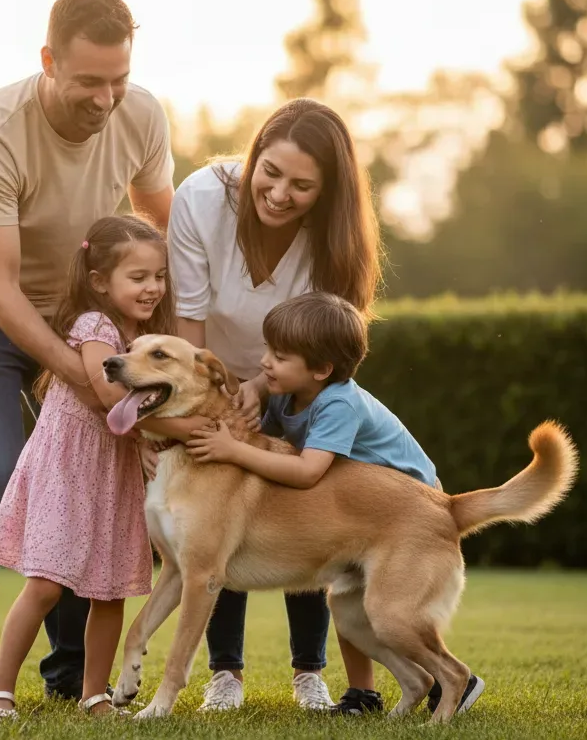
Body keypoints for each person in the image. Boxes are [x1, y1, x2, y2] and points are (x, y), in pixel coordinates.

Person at [0, 0, 175, 711]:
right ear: (48, 61)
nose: (105, 99)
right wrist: (86, 377)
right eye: (89, 81)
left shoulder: (141, 114)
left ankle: (71, 679)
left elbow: (165, 237)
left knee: (98, 479)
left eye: (118, 79)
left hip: (82, 306)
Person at [159, 98, 382, 712]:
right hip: (211, 375)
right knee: (218, 518)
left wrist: (262, 388)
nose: (280, 194)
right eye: (271, 173)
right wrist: (212, 406)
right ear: (254, 156)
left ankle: (309, 671)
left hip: (294, 382)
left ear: (328, 191)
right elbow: (189, 325)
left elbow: (330, 338)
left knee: (301, 519)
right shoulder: (202, 199)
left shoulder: (334, 241)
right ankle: (224, 674)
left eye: (302, 186)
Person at [187, 292, 486, 718]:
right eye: (268, 350)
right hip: (363, 507)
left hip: (406, 510)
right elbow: (268, 447)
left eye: (280, 356)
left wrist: (232, 450)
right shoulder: (289, 393)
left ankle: (453, 679)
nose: (265, 363)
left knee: (391, 617)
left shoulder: (338, 402)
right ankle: (412, 684)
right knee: (350, 615)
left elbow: (306, 472)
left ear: (322, 369)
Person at [0, 215, 176, 719]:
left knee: (111, 590)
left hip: (115, 476)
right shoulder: (95, 327)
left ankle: (94, 694)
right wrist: (170, 426)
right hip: (68, 470)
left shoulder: (148, 336)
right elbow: (108, 394)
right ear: (100, 282)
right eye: (138, 277)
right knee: (46, 583)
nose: (153, 288)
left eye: (159, 276)